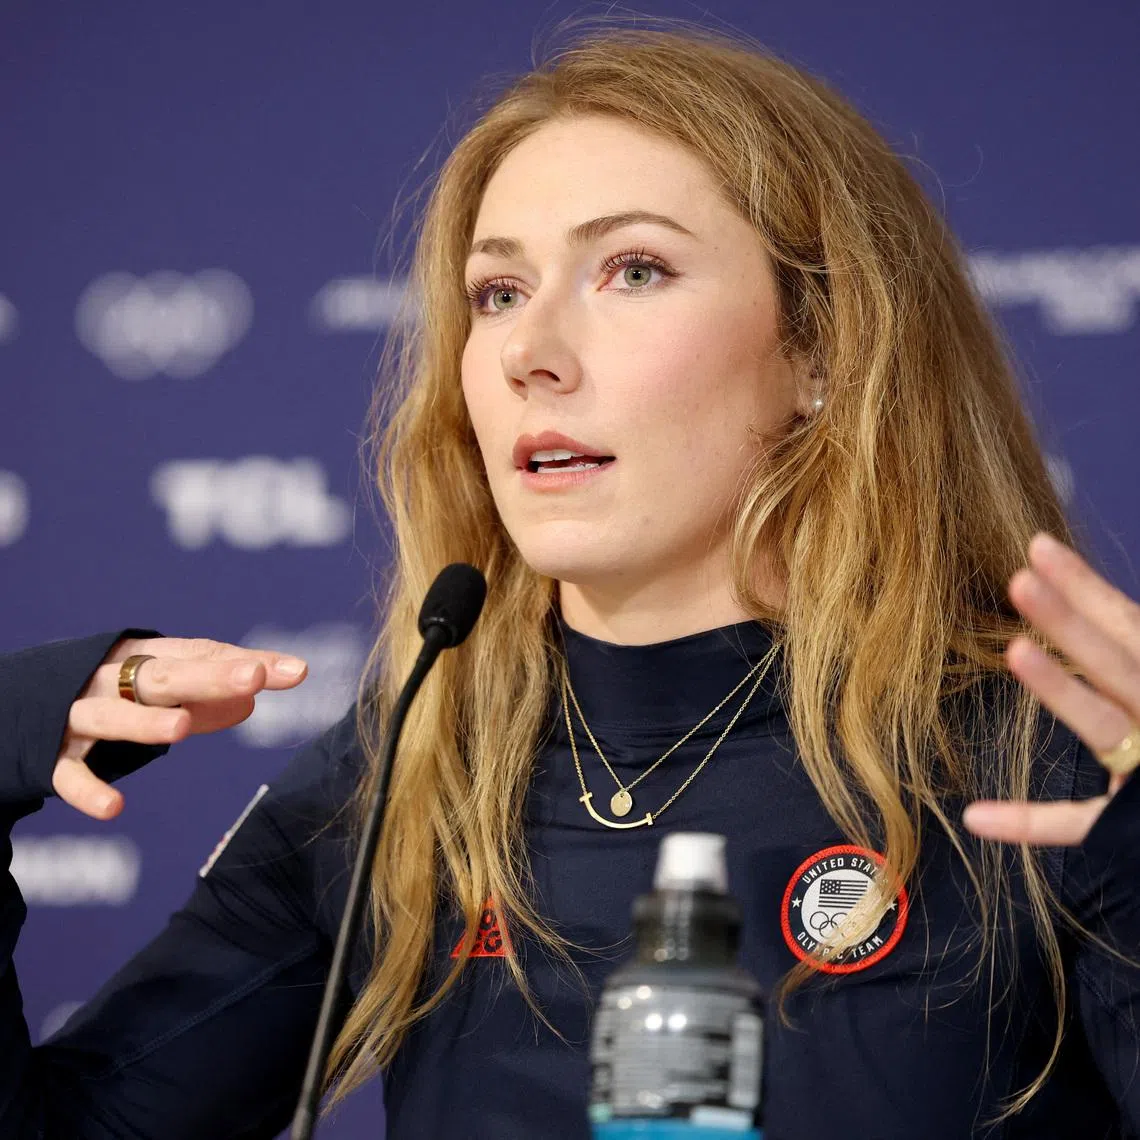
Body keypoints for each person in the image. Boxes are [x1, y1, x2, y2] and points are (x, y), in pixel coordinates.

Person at [2, 21, 1139, 1139]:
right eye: (497, 292)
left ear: (823, 353)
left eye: (631, 270)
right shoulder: (413, 763)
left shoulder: (1041, 754)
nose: (525, 350)